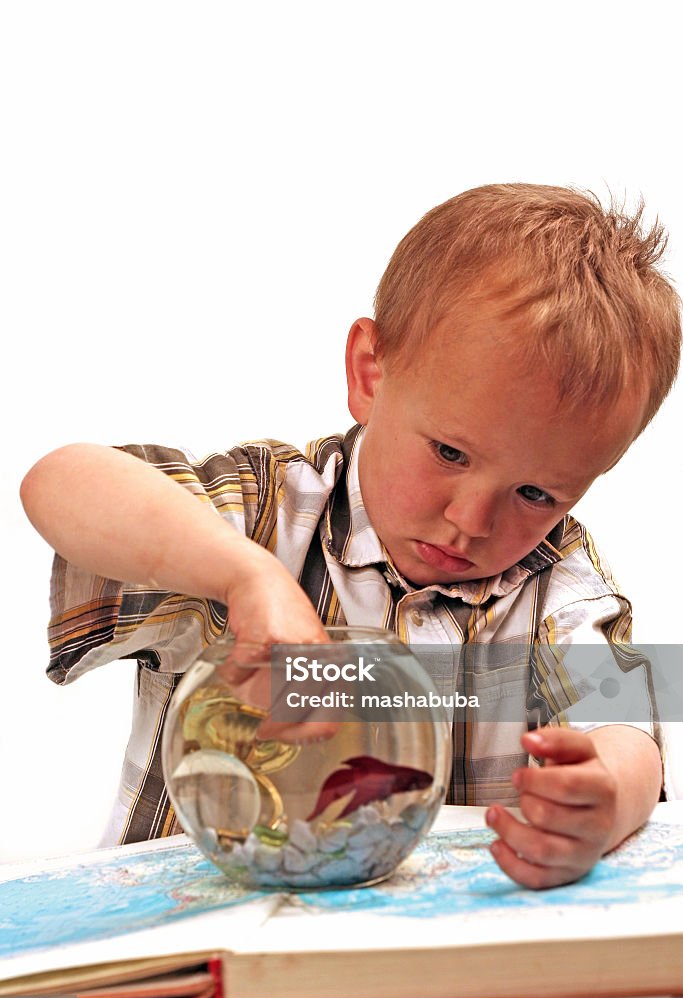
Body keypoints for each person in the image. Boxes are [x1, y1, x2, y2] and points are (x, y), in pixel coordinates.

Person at [21, 184, 681, 890]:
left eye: (535, 494)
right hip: (196, 939)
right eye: (450, 454)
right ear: (370, 373)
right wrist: (247, 576)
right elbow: (58, 479)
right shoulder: (261, 510)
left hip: (416, 967)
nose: (471, 521)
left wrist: (607, 795)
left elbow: (630, 728)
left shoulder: (559, 580)